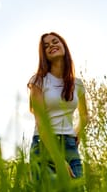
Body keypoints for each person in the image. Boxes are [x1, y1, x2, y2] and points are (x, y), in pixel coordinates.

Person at [27, 32, 88, 179]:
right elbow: (41, 123)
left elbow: (84, 115)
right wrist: (58, 160)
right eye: (46, 46)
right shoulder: (38, 81)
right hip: (44, 145)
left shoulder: (77, 84)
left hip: (69, 145)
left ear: (63, 46)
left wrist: (77, 131)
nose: (51, 46)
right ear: (44, 55)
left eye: (55, 41)